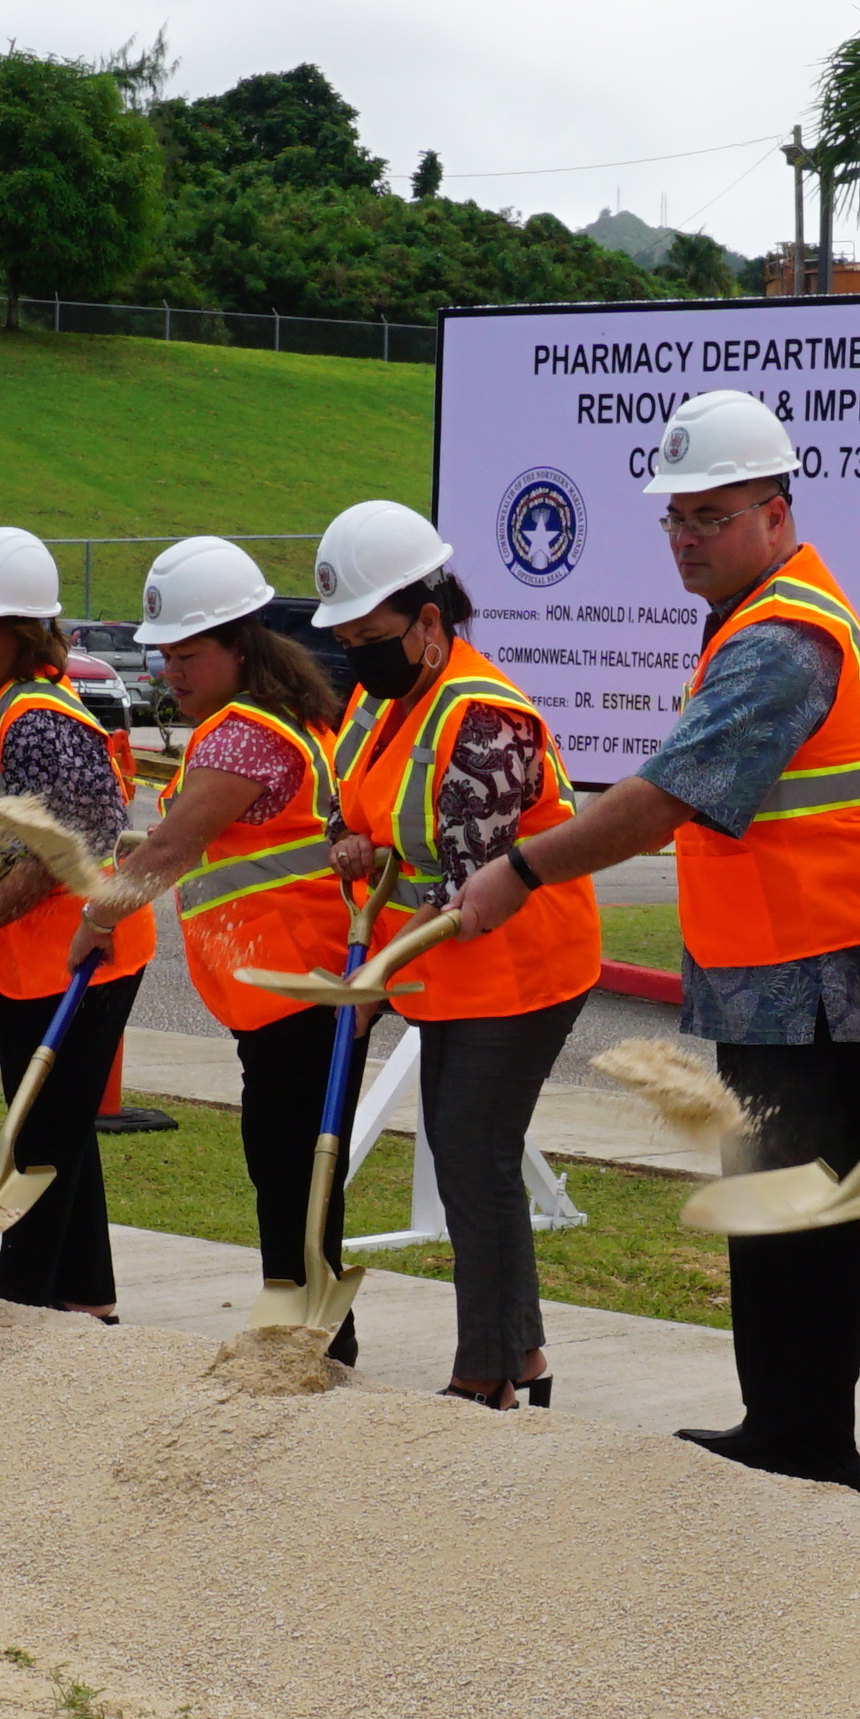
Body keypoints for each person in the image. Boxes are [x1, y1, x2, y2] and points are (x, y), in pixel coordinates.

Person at [432, 394, 860, 1481]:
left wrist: (521, 868)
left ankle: (807, 1443)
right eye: (675, 518)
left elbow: (664, 798)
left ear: (776, 513)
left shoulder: (783, 641)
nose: (687, 538)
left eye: (711, 515)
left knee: (799, 1208)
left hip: (824, 972)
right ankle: (785, 1423)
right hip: (790, 966)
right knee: (779, 1202)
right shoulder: (759, 614)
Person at [313, 503, 601, 1405]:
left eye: (372, 635)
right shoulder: (381, 698)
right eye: (347, 638)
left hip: (519, 964)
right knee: (470, 1149)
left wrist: (376, 984)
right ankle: (523, 1359)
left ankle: (485, 1374)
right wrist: (351, 847)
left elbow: (468, 888)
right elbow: (353, 809)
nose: (358, 654)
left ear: (430, 623)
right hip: (447, 964)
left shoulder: (486, 718)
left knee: (472, 1155)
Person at [96, 537, 371, 1356]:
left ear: (239, 644)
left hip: (295, 985)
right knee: (296, 1165)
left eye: (188, 654)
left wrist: (96, 920)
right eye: (163, 656)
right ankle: (312, 1328)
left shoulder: (243, 735)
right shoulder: (297, 713)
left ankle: (309, 1338)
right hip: (304, 982)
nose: (170, 672)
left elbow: (172, 851)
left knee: (288, 1166)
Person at [0, 526, 161, 1313]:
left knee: (38, 1136)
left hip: (90, 957)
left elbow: (65, 855)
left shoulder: (45, 721)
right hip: (23, 961)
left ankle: (14, 1302)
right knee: (54, 1126)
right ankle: (88, 1299)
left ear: (21, 633)